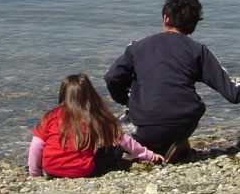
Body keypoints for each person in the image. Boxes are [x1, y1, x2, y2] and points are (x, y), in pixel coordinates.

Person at [104, 0, 240, 161]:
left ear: (165, 18)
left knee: (111, 130)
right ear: (193, 26)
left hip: (144, 127)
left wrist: (127, 100)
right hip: (184, 124)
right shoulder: (198, 51)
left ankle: (154, 145)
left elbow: (112, 78)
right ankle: (174, 142)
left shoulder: (137, 47)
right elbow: (235, 92)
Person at [28, 73, 165, 177]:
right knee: (115, 148)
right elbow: (125, 141)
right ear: (91, 94)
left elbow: (36, 145)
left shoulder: (51, 116)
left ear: (62, 94)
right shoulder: (96, 116)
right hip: (83, 170)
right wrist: (149, 155)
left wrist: (35, 172)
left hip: (52, 170)